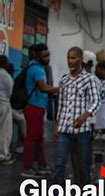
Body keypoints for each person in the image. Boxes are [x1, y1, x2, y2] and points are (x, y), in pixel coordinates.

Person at [51, 47, 101, 187]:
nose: (70, 61)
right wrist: (56, 126)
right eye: (68, 58)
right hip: (64, 130)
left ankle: (85, 193)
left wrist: (83, 117)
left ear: (80, 59)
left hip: (82, 131)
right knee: (59, 164)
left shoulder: (89, 79)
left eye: (73, 58)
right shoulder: (64, 80)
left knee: (84, 165)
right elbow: (60, 105)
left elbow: (96, 101)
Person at [21, 43, 59, 178]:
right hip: (34, 106)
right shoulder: (37, 69)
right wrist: (58, 89)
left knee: (38, 137)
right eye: (45, 56)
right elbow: (43, 87)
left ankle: (42, 165)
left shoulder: (36, 67)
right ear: (37, 55)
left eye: (48, 55)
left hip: (37, 106)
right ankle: (27, 168)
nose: (48, 58)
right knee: (32, 137)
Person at [0, 55, 15, 164]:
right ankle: (3, 155)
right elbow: (11, 94)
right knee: (5, 131)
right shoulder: (6, 76)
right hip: (4, 104)